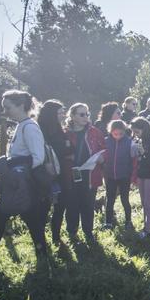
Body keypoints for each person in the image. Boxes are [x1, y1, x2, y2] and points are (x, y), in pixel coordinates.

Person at [0, 91, 51, 269]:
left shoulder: (29, 127)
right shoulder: (21, 125)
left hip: (23, 184)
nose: (5, 111)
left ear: (21, 106)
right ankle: (43, 259)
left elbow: (38, 157)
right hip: (19, 183)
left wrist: (19, 177)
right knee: (28, 221)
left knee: (4, 217)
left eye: (7, 107)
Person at [64, 103, 106, 241]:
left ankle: (88, 232)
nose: (86, 117)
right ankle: (72, 232)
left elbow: (105, 150)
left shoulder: (95, 132)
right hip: (71, 175)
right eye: (82, 114)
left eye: (87, 114)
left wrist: (101, 158)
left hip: (90, 175)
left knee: (88, 205)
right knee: (72, 204)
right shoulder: (65, 133)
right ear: (72, 116)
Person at [38, 100, 72, 246]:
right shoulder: (42, 131)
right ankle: (40, 239)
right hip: (48, 173)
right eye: (59, 112)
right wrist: (67, 152)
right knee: (44, 207)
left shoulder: (59, 128)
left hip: (62, 172)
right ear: (52, 114)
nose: (63, 115)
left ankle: (56, 237)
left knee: (61, 205)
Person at [130, 117, 150, 239]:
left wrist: (144, 153)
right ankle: (145, 226)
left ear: (144, 129)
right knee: (144, 202)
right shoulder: (139, 140)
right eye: (133, 132)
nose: (135, 134)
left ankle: (148, 230)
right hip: (141, 173)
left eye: (137, 132)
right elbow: (138, 159)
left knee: (149, 202)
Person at [102, 119, 136, 230]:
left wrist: (132, 175)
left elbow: (133, 159)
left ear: (125, 131)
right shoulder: (106, 141)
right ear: (110, 131)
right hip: (110, 175)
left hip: (124, 176)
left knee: (125, 199)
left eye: (120, 134)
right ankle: (108, 222)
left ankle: (128, 221)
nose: (118, 136)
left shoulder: (129, 142)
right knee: (110, 198)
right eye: (115, 134)